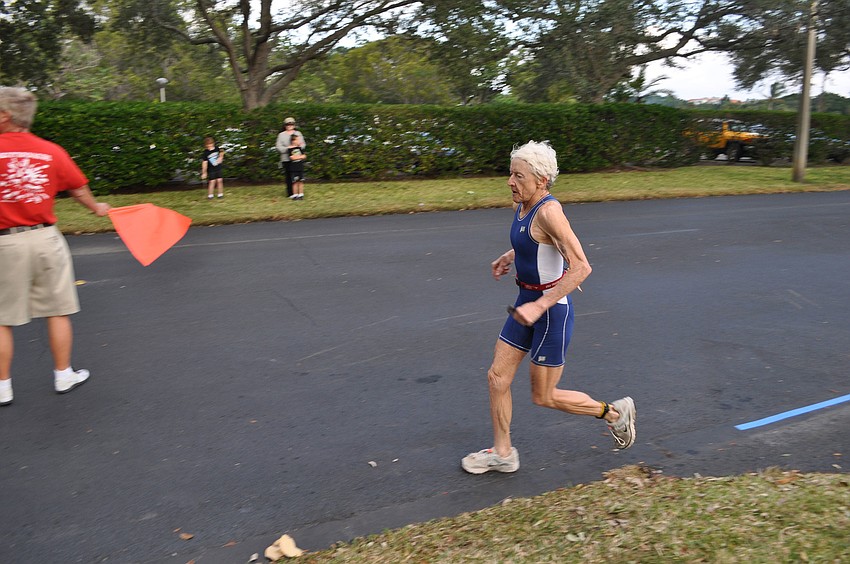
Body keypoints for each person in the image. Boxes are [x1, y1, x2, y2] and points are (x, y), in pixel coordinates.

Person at [461, 140, 636, 474]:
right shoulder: (524, 204)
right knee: (497, 378)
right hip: (525, 303)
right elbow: (538, 243)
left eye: (518, 176)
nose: (510, 181)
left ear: (541, 180)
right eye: (510, 173)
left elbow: (582, 267)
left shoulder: (549, 210)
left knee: (544, 396)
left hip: (550, 312)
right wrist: (510, 255)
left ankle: (614, 413)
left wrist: (541, 305)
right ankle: (503, 453)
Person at [0, 87, 111, 406]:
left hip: (5, 242)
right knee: (58, 310)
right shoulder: (50, 151)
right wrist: (95, 208)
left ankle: (3, 386)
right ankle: (63, 375)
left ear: (6, 116)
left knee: (1, 318)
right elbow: (78, 187)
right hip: (46, 239)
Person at [275, 117, 306, 198]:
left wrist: (297, 148)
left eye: (291, 124)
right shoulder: (281, 135)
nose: (289, 126)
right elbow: (278, 147)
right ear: (285, 125)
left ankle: (299, 192)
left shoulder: (298, 133)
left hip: (297, 159)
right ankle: (291, 193)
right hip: (286, 158)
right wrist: (288, 149)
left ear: (294, 125)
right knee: (289, 176)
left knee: (299, 176)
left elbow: (303, 144)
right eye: (287, 124)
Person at [287, 133, 307, 200]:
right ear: (293, 141)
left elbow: (304, 156)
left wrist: (298, 157)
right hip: (293, 168)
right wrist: (299, 157)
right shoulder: (290, 149)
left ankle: (301, 194)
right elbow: (292, 158)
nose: (299, 141)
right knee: (295, 182)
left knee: (300, 181)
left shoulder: (300, 148)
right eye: (297, 140)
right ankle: (295, 194)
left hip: (300, 167)